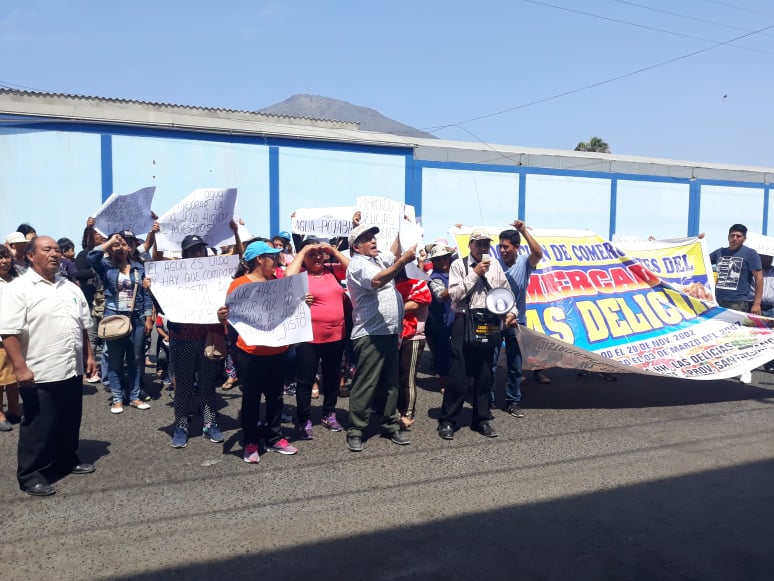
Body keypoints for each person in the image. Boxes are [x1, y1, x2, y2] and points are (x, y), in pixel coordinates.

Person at [0, 236, 96, 496]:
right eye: (47, 250)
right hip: (39, 371)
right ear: (31, 256)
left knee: (68, 420)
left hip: (71, 368)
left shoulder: (70, 287)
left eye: (57, 250)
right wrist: (20, 368)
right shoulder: (18, 288)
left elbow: (83, 326)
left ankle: (65, 460)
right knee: (38, 426)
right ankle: (31, 475)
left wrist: (89, 356)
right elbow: (8, 333)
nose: (55, 254)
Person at [219, 240, 298, 463]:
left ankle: (274, 438)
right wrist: (222, 317)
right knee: (251, 399)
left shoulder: (277, 282)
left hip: (278, 350)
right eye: (271, 257)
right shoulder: (238, 285)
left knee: (276, 397)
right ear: (259, 260)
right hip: (250, 352)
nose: (276, 260)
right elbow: (230, 318)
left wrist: (303, 303)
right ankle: (251, 441)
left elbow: (288, 310)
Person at [437, 228, 518, 440]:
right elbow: (454, 295)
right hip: (464, 320)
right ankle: (448, 419)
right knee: (458, 372)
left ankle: (481, 418)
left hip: (488, 321)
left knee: (484, 373)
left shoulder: (496, 265)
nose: (483, 247)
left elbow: (505, 292)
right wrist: (475, 273)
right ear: (470, 245)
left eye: (486, 243)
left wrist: (511, 313)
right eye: (479, 243)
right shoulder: (458, 265)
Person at [344, 223, 417, 452]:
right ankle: (356, 430)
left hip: (388, 332)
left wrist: (401, 228)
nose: (373, 241)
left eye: (373, 237)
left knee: (390, 383)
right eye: (367, 239)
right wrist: (402, 262)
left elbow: (394, 253)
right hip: (370, 334)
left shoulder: (376, 259)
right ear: (356, 247)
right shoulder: (358, 264)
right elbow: (377, 281)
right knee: (366, 383)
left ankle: (389, 424)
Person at [161, 234, 226, 448]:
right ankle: (180, 426)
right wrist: (151, 288)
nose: (198, 253)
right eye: (193, 250)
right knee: (184, 385)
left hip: (208, 337)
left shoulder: (216, 274)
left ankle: (210, 424)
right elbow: (163, 304)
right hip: (184, 338)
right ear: (186, 253)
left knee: (208, 384)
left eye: (201, 249)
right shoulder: (176, 276)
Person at [285, 238, 351, 439]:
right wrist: (305, 248)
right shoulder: (301, 276)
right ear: (303, 256)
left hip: (336, 335)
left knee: (332, 378)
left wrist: (331, 250)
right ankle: (304, 418)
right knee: (305, 381)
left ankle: (328, 414)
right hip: (309, 338)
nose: (316, 257)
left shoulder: (331, 270)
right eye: (311, 254)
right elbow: (288, 275)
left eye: (319, 253)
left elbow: (353, 269)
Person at [88, 232, 154, 413]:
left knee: (135, 359)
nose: (120, 247)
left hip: (136, 317)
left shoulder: (138, 267)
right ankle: (117, 398)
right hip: (114, 317)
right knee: (115, 361)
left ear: (129, 247)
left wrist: (148, 316)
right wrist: (109, 242)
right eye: (116, 245)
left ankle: (134, 397)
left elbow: (145, 294)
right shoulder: (105, 266)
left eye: (123, 244)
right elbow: (91, 256)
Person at [492, 222, 543, 418]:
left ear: (516, 247)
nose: (502, 250)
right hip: (494, 323)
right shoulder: (494, 265)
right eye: (500, 246)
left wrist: (523, 231)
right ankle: (488, 400)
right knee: (490, 362)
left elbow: (538, 253)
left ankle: (513, 401)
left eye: (506, 246)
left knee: (515, 365)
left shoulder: (524, 262)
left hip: (516, 322)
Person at [709, 224, 763, 384]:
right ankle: (724, 366)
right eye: (732, 235)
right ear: (728, 237)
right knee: (719, 335)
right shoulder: (720, 252)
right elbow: (699, 258)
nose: (735, 239)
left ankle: (745, 370)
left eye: (738, 236)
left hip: (739, 302)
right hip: (719, 301)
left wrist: (757, 303)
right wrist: (698, 242)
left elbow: (759, 277)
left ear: (744, 239)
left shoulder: (750, 254)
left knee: (740, 337)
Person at [395, 268, 432, 430]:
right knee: (397, 378)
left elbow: (412, 305)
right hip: (397, 337)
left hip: (414, 338)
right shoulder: (395, 286)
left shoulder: (420, 286)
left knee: (408, 379)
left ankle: (408, 413)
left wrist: (392, 306)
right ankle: (398, 410)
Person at [426, 244, 456, 393]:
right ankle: (443, 383)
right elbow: (441, 296)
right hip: (441, 322)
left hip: (456, 320)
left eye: (445, 257)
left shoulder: (457, 273)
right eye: (438, 259)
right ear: (433, 261)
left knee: (458, 353)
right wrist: (462, 284)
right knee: (442, 353)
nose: (442, 261)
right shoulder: (433, 278)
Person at [0, 245, 22, 431]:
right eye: (0, 258)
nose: (4, 261)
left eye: (6, 257)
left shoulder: (16, 279)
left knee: (15, 376)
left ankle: (14, 410)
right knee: (0, 379)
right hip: (0, 337)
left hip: (17, 335)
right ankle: (0, 414)